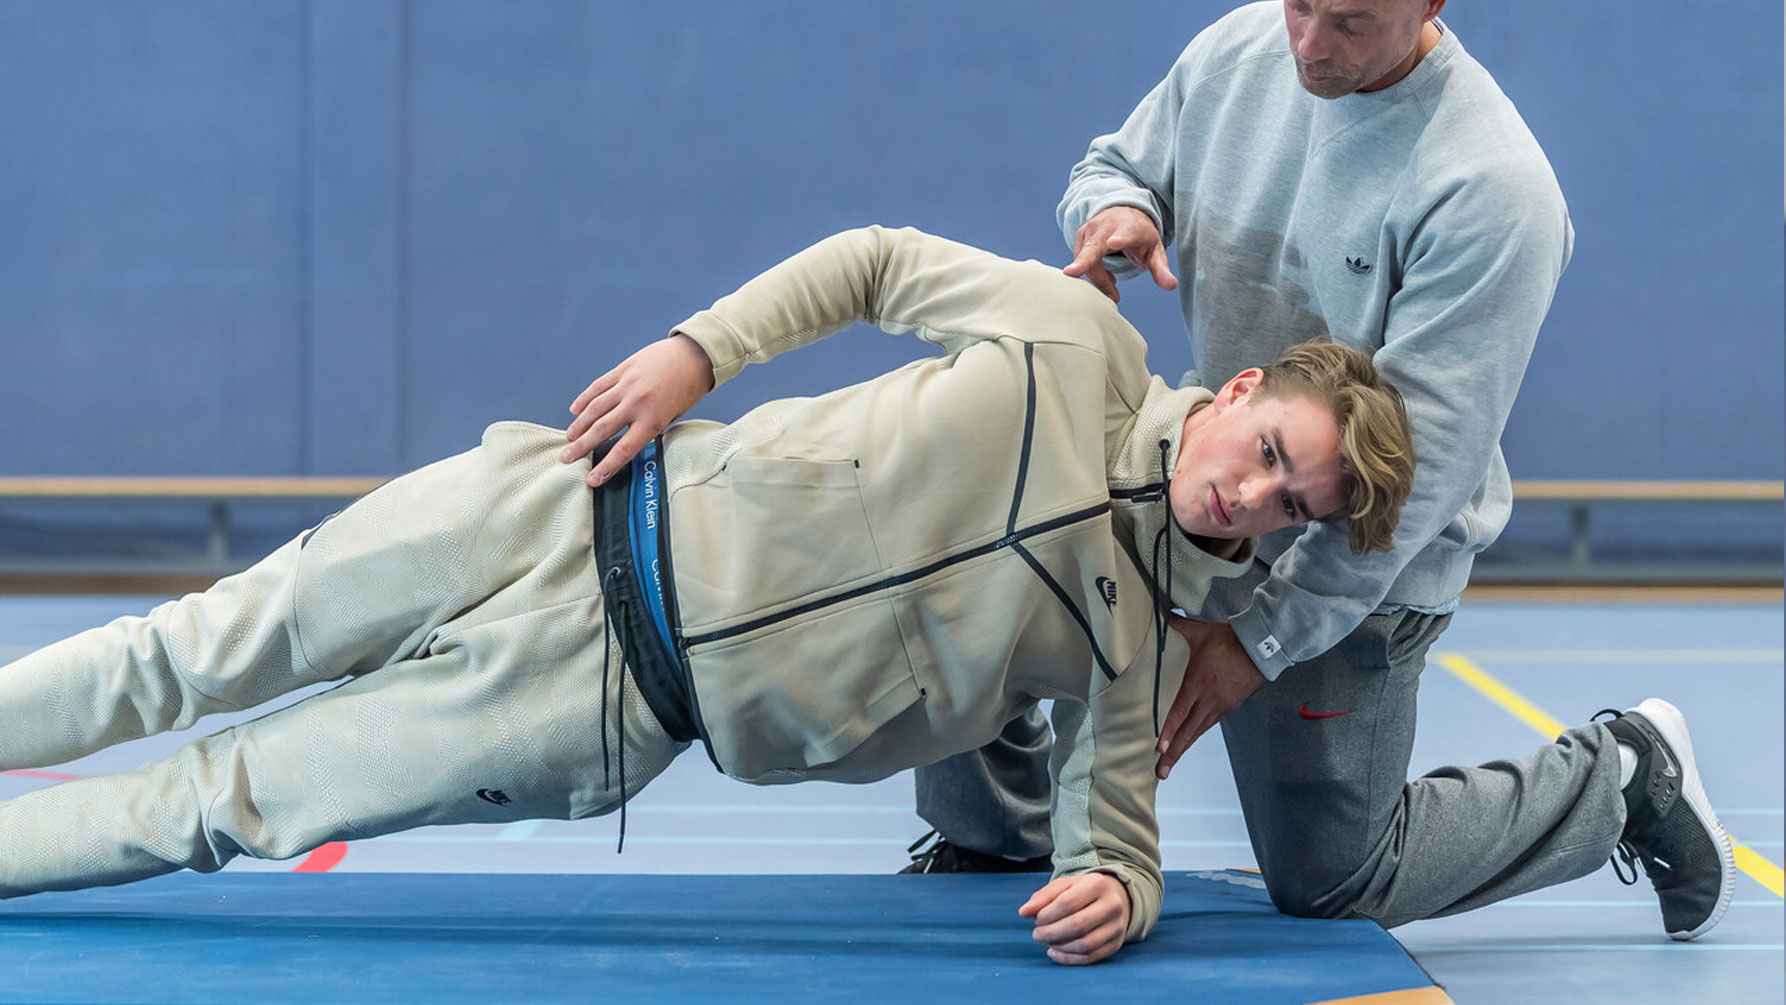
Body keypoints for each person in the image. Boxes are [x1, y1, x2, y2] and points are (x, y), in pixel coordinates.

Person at [0, 226, 1415, 966]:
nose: (1254, 493)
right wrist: (697, 351)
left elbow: (1117, 835)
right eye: (1272, 452)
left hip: (597, 711)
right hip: (566, 504)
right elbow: (869, 263)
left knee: (226, 797)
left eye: (1292, 507)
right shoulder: (1065, 332)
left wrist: (1118, 888)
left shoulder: (1131, 644)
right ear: (1239, 393)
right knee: (185, 650)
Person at [906, 0, 1738, 942]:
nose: (1306, 43)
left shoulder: (1494, 192)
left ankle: (1623, 775)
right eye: (1300, 5)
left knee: (1331, 876)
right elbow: (1117, 164)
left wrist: (1255, 641)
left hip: (1360, 548)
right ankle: (989, 837)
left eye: (1348, 22)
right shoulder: (1239, 47)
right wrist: (1119, 210)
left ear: (1430, 5)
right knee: (998, 527)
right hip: (1212, 472)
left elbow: (1404, 493)